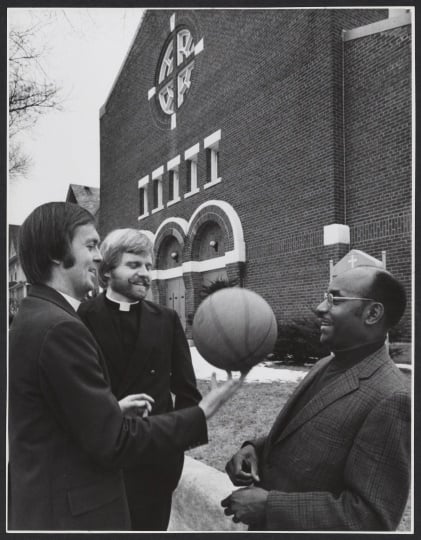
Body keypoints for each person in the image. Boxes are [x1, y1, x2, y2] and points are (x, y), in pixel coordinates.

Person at [8, 202, 245, 531]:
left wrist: (116, 415)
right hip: (90, 488)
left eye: (148, 265)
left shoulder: (36, 315)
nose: (96, 256)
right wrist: (202, 413)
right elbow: (109, 439)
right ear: (55, 252)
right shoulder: (68, 324)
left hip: (149, 468)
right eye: (90, 246)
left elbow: (68, 413)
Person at [222, 266, 410, 531]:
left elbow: (371, 519)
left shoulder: (391, 398)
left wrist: (270, 507)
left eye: (335, 299)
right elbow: (305, 431)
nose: (321, 307)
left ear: (373, 313)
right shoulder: (325, 364)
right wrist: (255, 448)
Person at [78, 228, 201, 530]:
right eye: (134, 265)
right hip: (105, 461)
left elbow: (187, 392)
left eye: (148, 266)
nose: (145, 273)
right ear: (107, 271)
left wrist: (175, 451)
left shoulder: (167, 319)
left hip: (155, 463)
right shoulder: (82, 318)